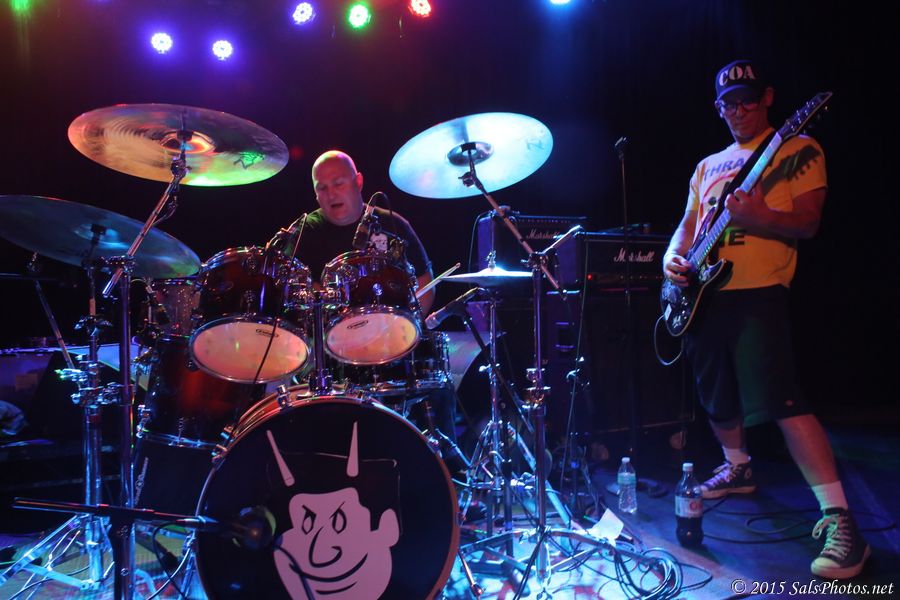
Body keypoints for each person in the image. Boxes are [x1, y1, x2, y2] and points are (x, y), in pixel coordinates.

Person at [663, 60, 869, 579]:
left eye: (747, 99)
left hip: (759, 292)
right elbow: (688, 223)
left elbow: (809, 221)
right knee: (714, 394)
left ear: (769, 97)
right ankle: (738, 467)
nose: (738, 110)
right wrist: (672, 259)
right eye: (728, 103)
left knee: (782, 401)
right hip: (703, 294)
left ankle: (840, 518)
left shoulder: (797, 148)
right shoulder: (707, 165)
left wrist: (761, 218)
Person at [270, 150, 463, 464]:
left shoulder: (391, 224)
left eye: (339, 183)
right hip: (331, 353)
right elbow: (289, 290)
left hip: (394, 343)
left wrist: (408, 326)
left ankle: (446, 471)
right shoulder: (306, 231)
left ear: (358, 182)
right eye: (322, 188)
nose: (331, 193)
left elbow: (425, 282)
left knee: (437, 383)